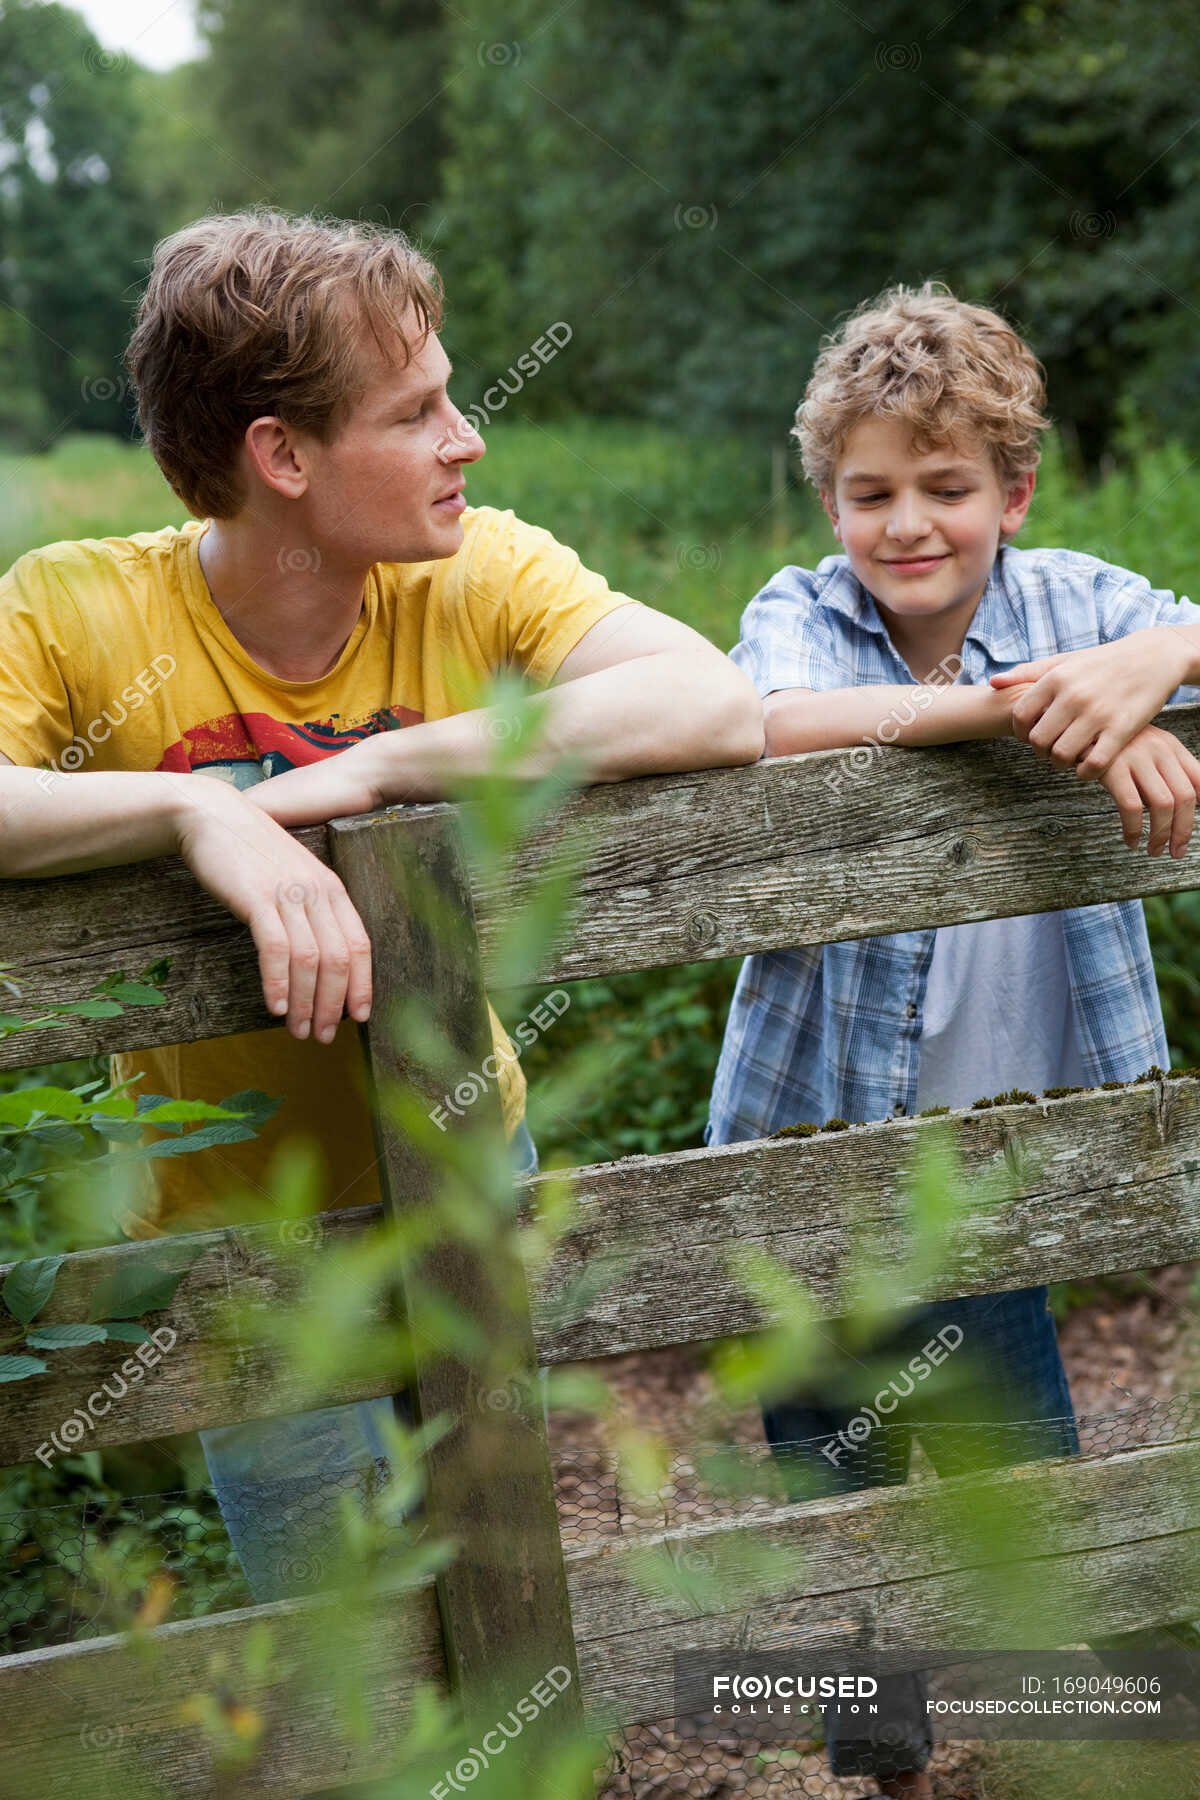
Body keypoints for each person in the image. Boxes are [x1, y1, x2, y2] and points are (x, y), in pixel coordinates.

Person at [0, 210, 763, 1621]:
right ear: (282, 457)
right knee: (340, 1629)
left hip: (469, 1154)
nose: (467, 439)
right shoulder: (76, 608)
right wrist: (196, 810)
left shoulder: (472, 569)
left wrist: (377, 770)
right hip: (237, 1235)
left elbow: (709, 698)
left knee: (496, 1582)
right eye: (417, 412)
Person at [706, 281, 1200, 1798]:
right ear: (828, 499)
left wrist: (1149, 670)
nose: (905, 523)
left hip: (1002, 1153)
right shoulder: (803, 612)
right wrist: (1037, 720)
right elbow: (771, 717)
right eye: (870, 492)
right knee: (832, 1496)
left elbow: (1165, 639)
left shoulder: (1082, 606)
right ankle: (886, 1758)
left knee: (1028, 1481)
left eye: (945, 487)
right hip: (808, 1143)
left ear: (1015, 492)